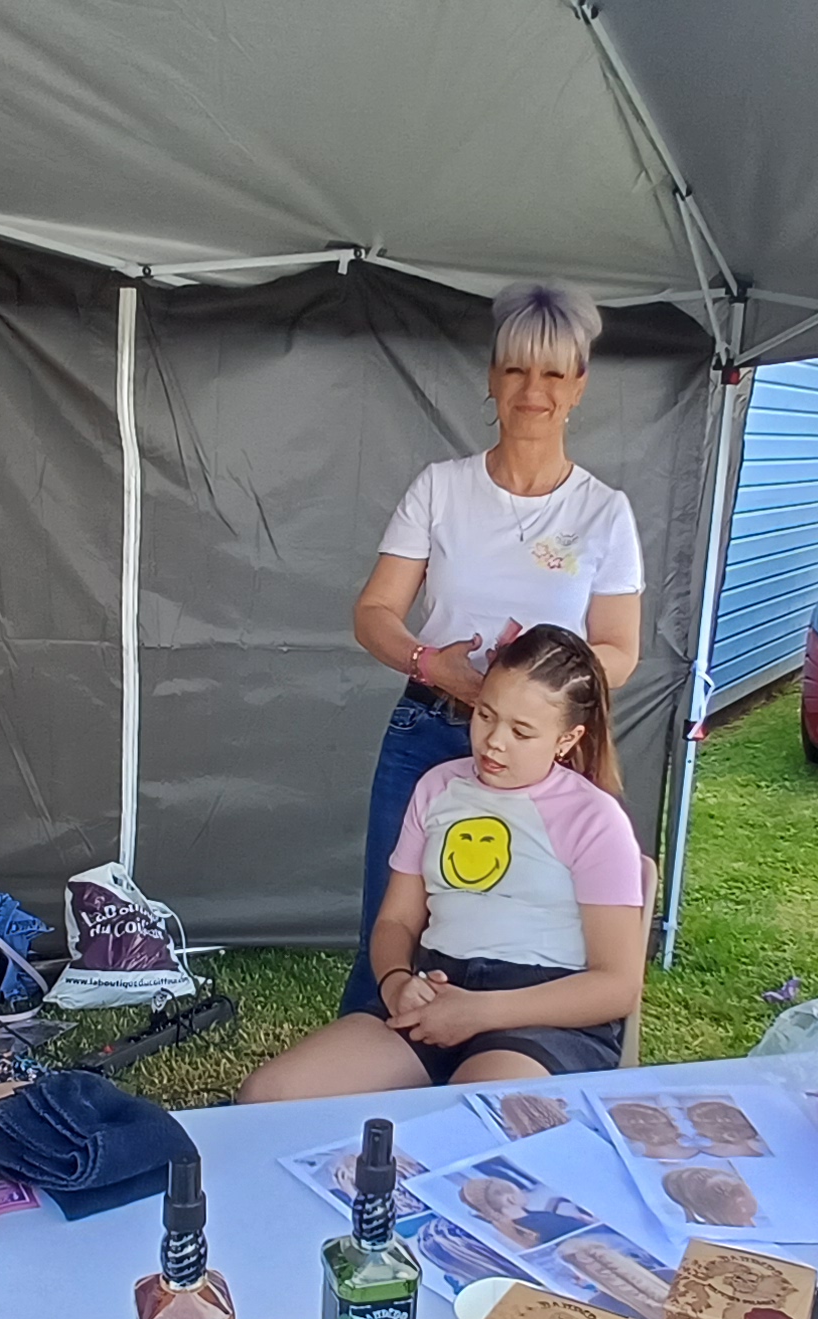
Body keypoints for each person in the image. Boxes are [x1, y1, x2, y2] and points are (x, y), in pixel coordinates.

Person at [341, 280, 644, 1015]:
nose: (533, 391)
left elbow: (620, 649)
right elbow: (374, 613)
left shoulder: (604, 512)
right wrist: (428, 663)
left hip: (546, 754)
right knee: (393, 922)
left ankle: (514, 1043)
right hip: (431, 728)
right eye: (515, 370)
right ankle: (375, 1044)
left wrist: (534, 687)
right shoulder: (440, 489)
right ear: (491, 378)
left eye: (553, 373)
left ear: (579, 385)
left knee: (531, 926)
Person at [242, 624, 643, 1100]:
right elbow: (396, 921)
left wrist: (481, 1012)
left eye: (521, 732)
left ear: (567, 738)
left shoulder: (594, 818)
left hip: (543, 1016)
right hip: (436, 990)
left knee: (469, 1116)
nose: (494, 741)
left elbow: (616, 986)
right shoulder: (437, 787)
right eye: (485, 715)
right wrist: (396, 983)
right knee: (269, 1097)